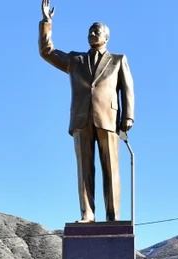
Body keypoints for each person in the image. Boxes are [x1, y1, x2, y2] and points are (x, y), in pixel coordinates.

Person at [38, 0, 134, 222]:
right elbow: (47, 51)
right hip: (81, 119)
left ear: (106, 37)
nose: (92, 33)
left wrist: (128, 115)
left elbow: (127, 87)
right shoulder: (75, 60)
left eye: (96, 30)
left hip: (108, 120)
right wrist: (47, 22)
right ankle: (87, 213)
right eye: (90, 31)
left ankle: (112, 216)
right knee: (84, 169)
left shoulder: (118, 60)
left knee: (111, 169)